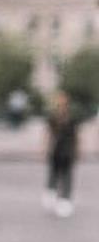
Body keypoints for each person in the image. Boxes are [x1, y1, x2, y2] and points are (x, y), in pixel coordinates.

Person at [43, 89, 80, 217]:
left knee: (67, 177)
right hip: (56, 150)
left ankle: (65, 200)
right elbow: (48, 134)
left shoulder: (72, 118)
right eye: (59, 102)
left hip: (68, 151)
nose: (61, 104)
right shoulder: (53, 117)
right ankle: (52, 196)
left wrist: (77, 150)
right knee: (53, 175)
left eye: (63, 101)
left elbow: (77, 136)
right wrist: (44, 149)